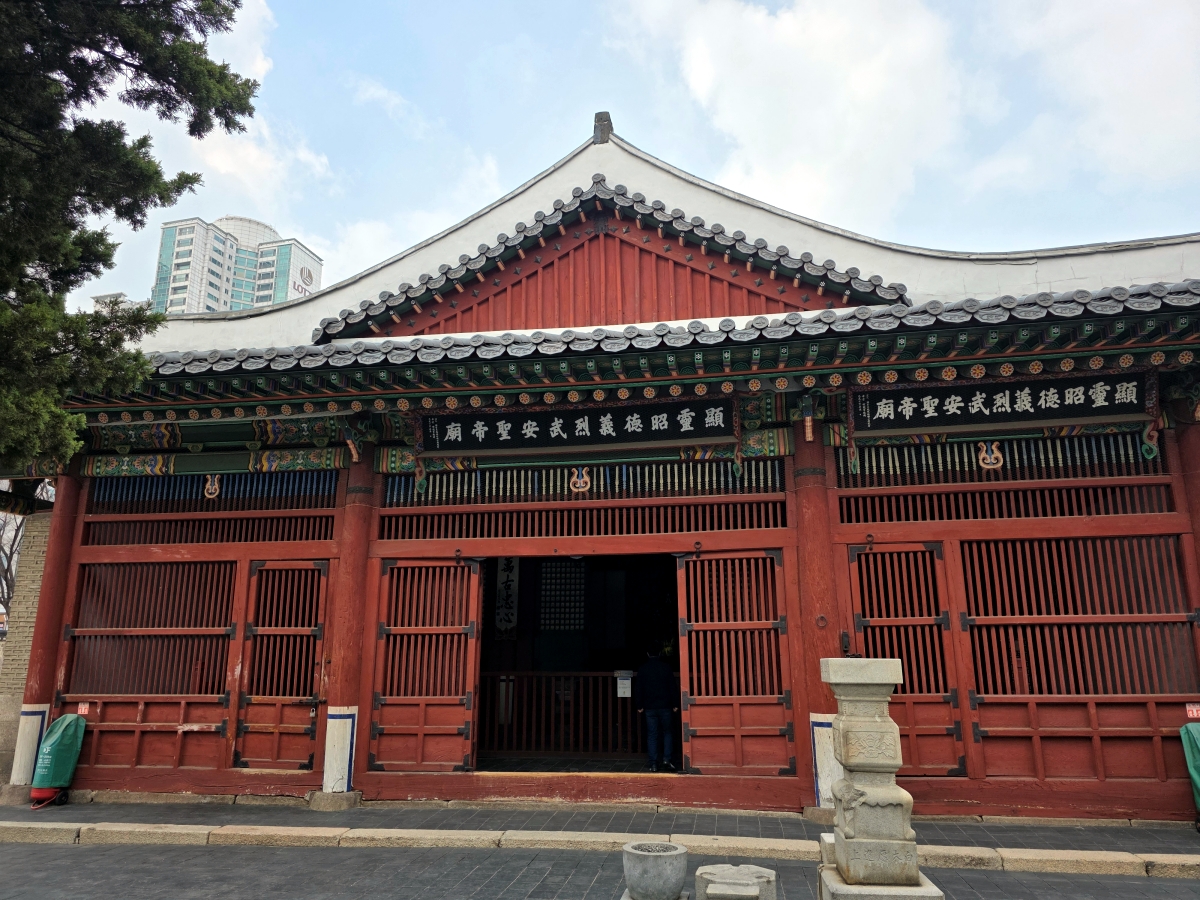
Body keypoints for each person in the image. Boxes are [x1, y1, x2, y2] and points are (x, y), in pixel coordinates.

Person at [636, 643, 679, 772]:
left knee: (652, 734)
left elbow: (639, 689)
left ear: (647, 654)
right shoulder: (666, 668)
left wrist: (639, 705)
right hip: (665, 706)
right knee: (667, 732)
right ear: (660, 654)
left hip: (649, 707)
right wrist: (675, 704)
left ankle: (653, 763)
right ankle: (667, 759)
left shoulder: (643, 669)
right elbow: (672, 687)